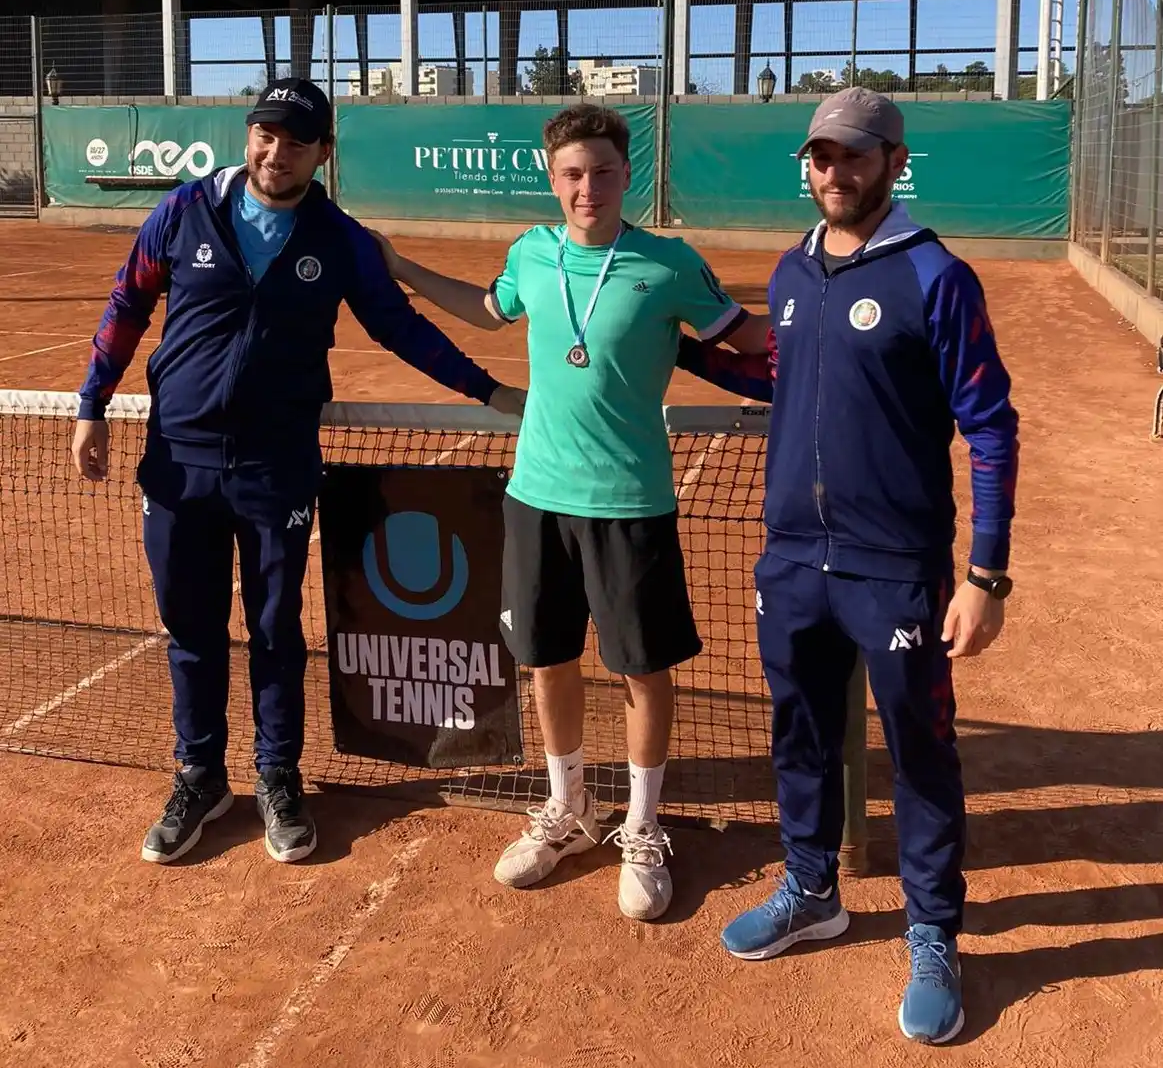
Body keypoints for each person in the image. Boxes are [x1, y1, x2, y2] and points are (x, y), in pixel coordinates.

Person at [70, 78, 524, 868]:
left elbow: (400, 328)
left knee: (276, 628)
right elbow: (127, 304)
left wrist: (485, 389)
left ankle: (278, 773)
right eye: (264, 134)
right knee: (191, 628)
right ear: (248, 134)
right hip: (178, 461)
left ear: (323, 152)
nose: (275, 153)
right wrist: (90, 404)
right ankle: (200, 774)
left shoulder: (338, 237)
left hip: (277, 468)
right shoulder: (182, 212)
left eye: (295, 141)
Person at [675, 87, 1019, 1044]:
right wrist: (679, 341)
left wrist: (984, 575)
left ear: (894, 162)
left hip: (896, 566)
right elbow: (782, 373)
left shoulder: (935, 276)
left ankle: (933, 929)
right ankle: (810, 887)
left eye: (854, 156)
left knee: (918, 750)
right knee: (800, 732)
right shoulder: (790, 271)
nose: (834, 172)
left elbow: (989, 425)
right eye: (821, 156)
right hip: (792, 557)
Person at [374, 103, 770, 920]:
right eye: (571, 174)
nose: (586, 187)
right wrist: (402, 267)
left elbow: (749, 339)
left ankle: (642, 822)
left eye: (600, 172)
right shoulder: (531, 251)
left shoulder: (667, 265)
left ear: (628, 174)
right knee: (547, 660)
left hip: (631, 502)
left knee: (640, 668)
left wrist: (840, 313)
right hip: (535, 497)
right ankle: (568, 809)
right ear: (553, 179)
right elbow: (487, 308)